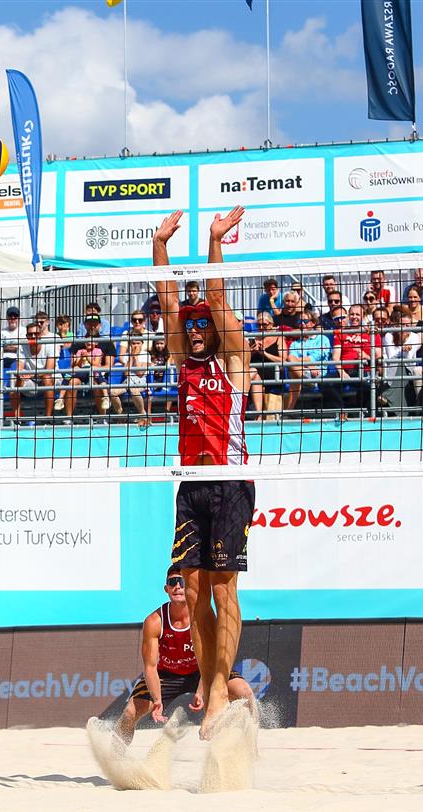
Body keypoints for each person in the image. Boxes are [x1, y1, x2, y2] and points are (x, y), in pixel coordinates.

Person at [153, 205, 254, 737]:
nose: (194, 330)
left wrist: (215, 241)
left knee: (222, 590)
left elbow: (215, 299)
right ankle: (210, 679)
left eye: (201, 325)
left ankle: (218, 688)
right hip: (190, 485)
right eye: (189, 326)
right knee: (192, 594)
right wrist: (160, 246)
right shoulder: (183, 361)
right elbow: (169, 300)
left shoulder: (233, 358)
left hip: (230, 483)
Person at [114, 571, 254, 744]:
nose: (178, 586)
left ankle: (249, 745)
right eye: (173, 582)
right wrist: (157, 700)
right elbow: (150, 667)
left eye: (182, 581)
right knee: (130, 712)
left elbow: (211, 658)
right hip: (167, 674)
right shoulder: (155, 621)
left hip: (202, 670)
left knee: (245, 693)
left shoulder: (203, 616)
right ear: (166, 588)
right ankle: (114, 755)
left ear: (190, 585)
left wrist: (202, 691)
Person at [11, 322, 56, 422]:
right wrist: (21, 375)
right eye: (30, 334)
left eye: (36, 333)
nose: (33, 336)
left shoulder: (49, 345)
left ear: (41, 335)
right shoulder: (22, 346)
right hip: (32, 381)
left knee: (47, 379)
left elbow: (49, 371)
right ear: (27, 336)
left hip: (50, 380)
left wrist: (31, 374)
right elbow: (19, 368)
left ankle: (48, 418)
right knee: (16, 381)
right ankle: (17, 418)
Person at [0, 306, 22, 377]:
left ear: (19, 318)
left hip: (17, 360)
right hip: (1, 360)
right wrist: (13, 347)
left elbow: (21, 348)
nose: (13, 318)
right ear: (7, 317)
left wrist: (2, 347)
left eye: (15, 316)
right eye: (10, 316)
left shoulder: (24, 331)